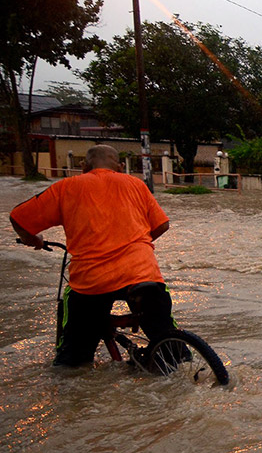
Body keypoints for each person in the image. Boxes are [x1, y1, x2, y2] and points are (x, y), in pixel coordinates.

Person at [10, 145, 176, 367]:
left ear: (83, 166)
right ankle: (180, 358)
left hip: (91, 281)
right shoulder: (136, 184)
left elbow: (19, 219)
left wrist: (34, 240)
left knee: (72, 360)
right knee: (168, 338)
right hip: (142, 273)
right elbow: (161, 225)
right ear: (119, 167)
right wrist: (138, 243)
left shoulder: (66, 187)